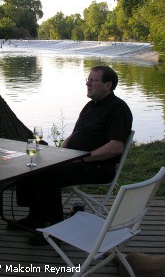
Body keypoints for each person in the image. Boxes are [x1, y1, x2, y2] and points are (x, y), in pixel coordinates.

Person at [12, 65, 133, 243]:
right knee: (31, 162)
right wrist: (60, 152)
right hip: (75, 160)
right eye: (88, 80)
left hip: (97, 167)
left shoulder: (118, 109)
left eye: (93, 81)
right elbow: (76, 134)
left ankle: (56, 229)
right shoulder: (90, 106)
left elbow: (115, 147)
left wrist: (82, 158)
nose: (88, 84)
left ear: (108, 85)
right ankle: (35, 217)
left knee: (49, 174)